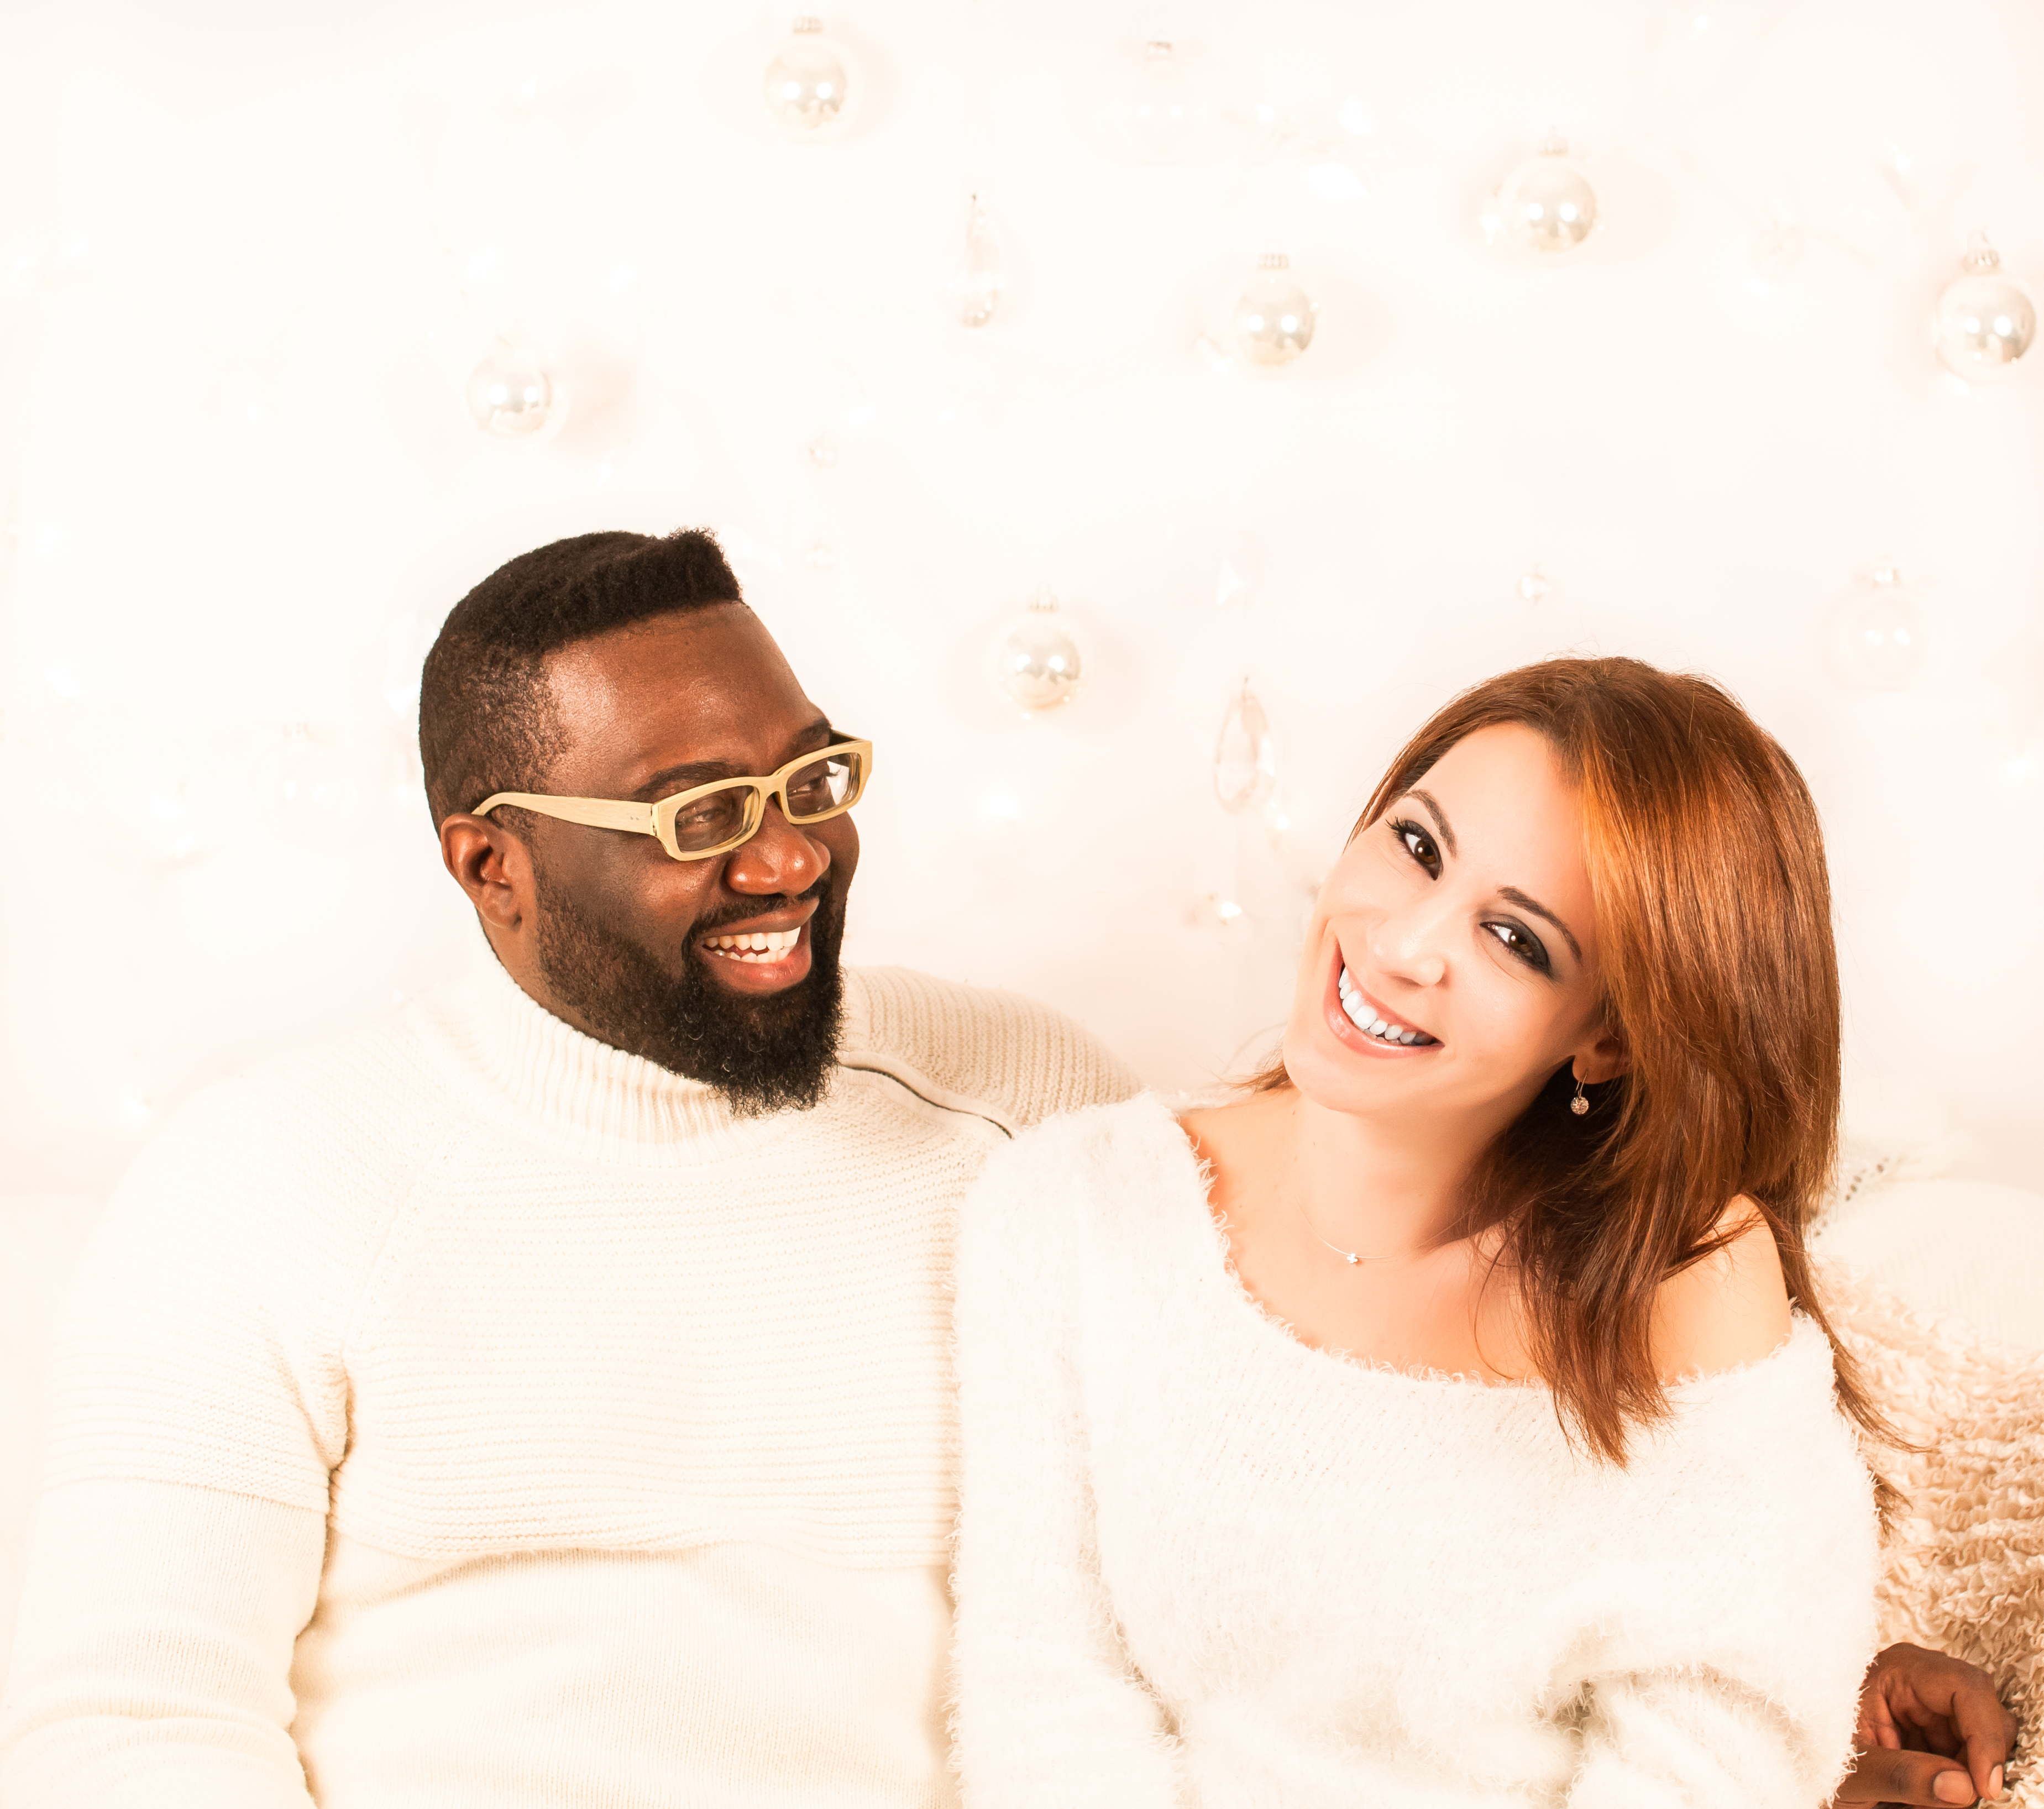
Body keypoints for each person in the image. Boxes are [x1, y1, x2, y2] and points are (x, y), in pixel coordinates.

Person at [0, 534, 2012, 1808]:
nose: (787, 853)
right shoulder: (264, 1186)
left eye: (809, 776)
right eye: (698, 813)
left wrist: (1810, 1667)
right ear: (488, 862)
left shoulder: (1022, 1104)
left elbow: (1349, 1437)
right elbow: (124, 1722)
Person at [951, 656, 2018, 1808]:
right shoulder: (1072, 1205)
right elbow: (1043, 1695)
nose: (1403, 945)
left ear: (1607, 1038)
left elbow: (1711, 1752)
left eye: (1515, 937)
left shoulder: (1683, 1276)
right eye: (1417, 844)